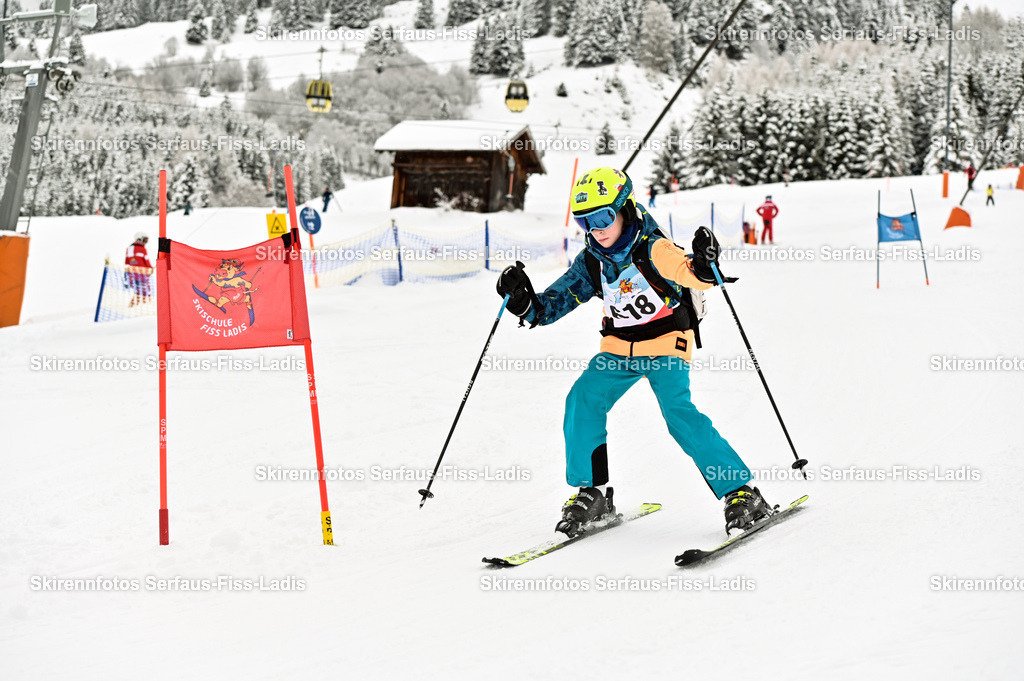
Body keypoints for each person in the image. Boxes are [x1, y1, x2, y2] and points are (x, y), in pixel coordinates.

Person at [495, 167, 769, 538]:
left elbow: (689, 272)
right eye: (586, 221)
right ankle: (593, 492)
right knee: (583, 398)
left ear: (625, 209)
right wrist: (525, 303)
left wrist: (705, 264)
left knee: (678, 414)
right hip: (619, 347)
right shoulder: (592, 261)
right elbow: (550, 306)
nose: (597, 228)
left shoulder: (653, 247)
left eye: (604, 216)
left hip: (666, 341)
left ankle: (741, 492)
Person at [125, 232, 153, 307]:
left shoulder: (129, 248)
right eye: (145, 241)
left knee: (137, 290)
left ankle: (132, 305)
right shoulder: (142, 249)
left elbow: (127, 261)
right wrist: (151, 268)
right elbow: (146, 261)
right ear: (140, 239)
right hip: (142, 273)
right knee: (145, 290)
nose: (145, 243)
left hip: (132, 273)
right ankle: (144, 305)